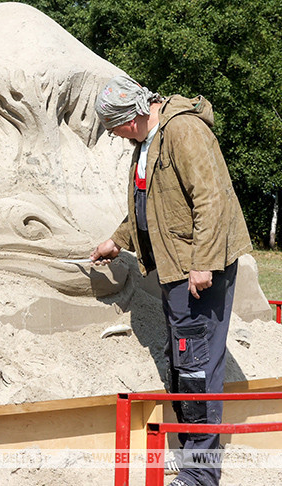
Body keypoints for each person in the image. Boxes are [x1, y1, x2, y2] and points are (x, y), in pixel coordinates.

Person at [90, 75, 251, 486]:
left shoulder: (183, 130)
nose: (116, 137)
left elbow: (211, 199)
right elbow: (153, 205)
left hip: (196, 271)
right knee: (185, 363)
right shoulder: (147, 141)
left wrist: (204, 262)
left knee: (196, 367)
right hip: (175, 268)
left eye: (114, 129)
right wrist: (118, 240)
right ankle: (192, 460)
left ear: (130, 118)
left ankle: (201, 474)